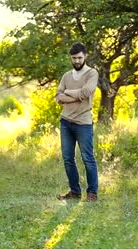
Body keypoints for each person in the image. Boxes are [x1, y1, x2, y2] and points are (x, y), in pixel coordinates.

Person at [55, 42, 99, 202]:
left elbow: (87, 92)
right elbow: (58, 96)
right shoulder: (66, 76)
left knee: (88, 158)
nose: (77, 61)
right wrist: (76, 95)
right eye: (74, 58)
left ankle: (92, 193)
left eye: (80, 58)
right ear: (71, 58)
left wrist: (67, 92)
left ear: (85, 56)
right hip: (66, 122)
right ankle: (75, 191)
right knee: (68, 158)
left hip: (84, 122)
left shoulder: (92, 74)